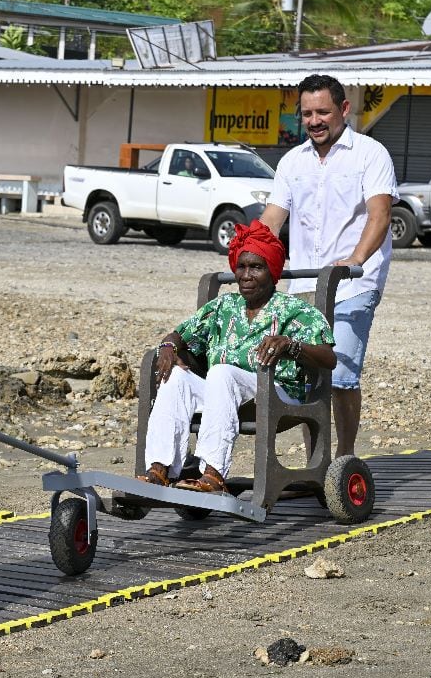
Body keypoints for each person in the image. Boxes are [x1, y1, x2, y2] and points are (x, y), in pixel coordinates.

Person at [258, 73, 398, 459]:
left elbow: (380, 216)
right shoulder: (292, 161)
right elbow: (273, 218)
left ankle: (345, 459)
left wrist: (353, 261)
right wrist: (251, 252)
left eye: (323, 112)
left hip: (355, 282)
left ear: (344, 110)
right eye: (306, 114)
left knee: (341, 377)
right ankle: (316, 462)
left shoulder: (370, 154)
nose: (315, 121)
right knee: (306, 374)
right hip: (304, 283)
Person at [140, 221, 336, 493]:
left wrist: (291, 345)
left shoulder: (295, 310)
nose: (245, 275)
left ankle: (214, 473)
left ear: (273, 272)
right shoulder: (223, 306)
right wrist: (168, 347)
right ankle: (159, 469)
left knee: (221, 372)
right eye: (241, 267)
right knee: (174, 376)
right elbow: (179, 334)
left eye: (256, 267)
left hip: (275, 392)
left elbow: (328, 359)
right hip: (225, 394)